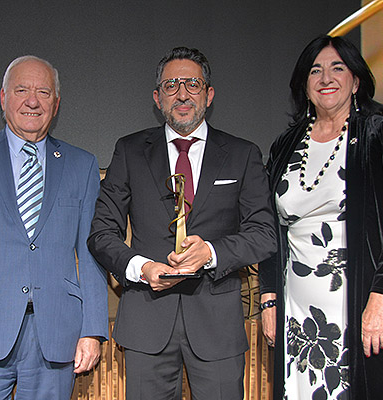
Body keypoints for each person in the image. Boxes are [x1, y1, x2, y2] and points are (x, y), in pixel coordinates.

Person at [88, 47, 276, 399]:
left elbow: (264, 234)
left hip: (217, 323)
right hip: (147, 321)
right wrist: (140, 268)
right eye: (172, 85)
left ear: (209, 94)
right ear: (158, 98)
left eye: (192, 83)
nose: (183, 93)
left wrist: (211, 252)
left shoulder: (242, 154)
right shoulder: (129, 151)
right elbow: (101, 232)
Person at [258, 35, 383, 399]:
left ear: (356, 80)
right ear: (304, 86)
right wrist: (270, 297)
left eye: (338, 67)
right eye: (315, 70)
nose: (326, 77)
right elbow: (270, 230)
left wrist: (382, 299)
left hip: (364, 302)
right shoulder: (285, 145)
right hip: (299, 312)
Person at [0, 55, 109, 399]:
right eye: (21, 90)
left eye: (43, 92)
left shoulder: (81, 165)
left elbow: (91, 253)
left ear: (56, 105)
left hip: (56, 335)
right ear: (3, 97)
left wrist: (93, 330)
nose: (32, 101)